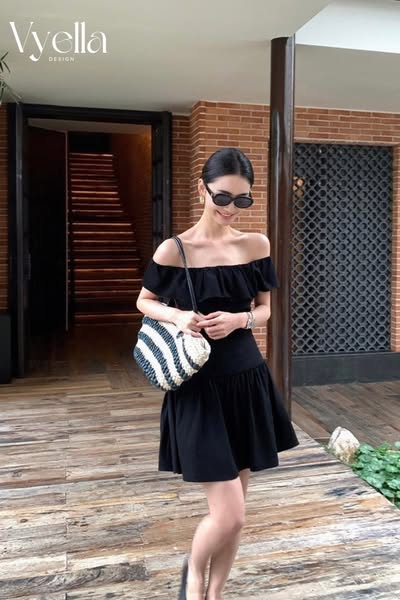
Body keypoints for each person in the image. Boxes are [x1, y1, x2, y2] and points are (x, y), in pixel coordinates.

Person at [136, 147, 300, 600]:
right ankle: (193, 576)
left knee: (236, 512)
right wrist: (177, 316)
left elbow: (265, 309)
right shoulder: (175, 250)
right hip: (198, 389)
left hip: (247, 382)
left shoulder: (256, 245)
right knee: (230, 515)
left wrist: (238, 320)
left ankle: (215, 593)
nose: (231, 208)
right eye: (222, 197)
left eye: (242, 200)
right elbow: (144, 301)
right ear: (202, 190)